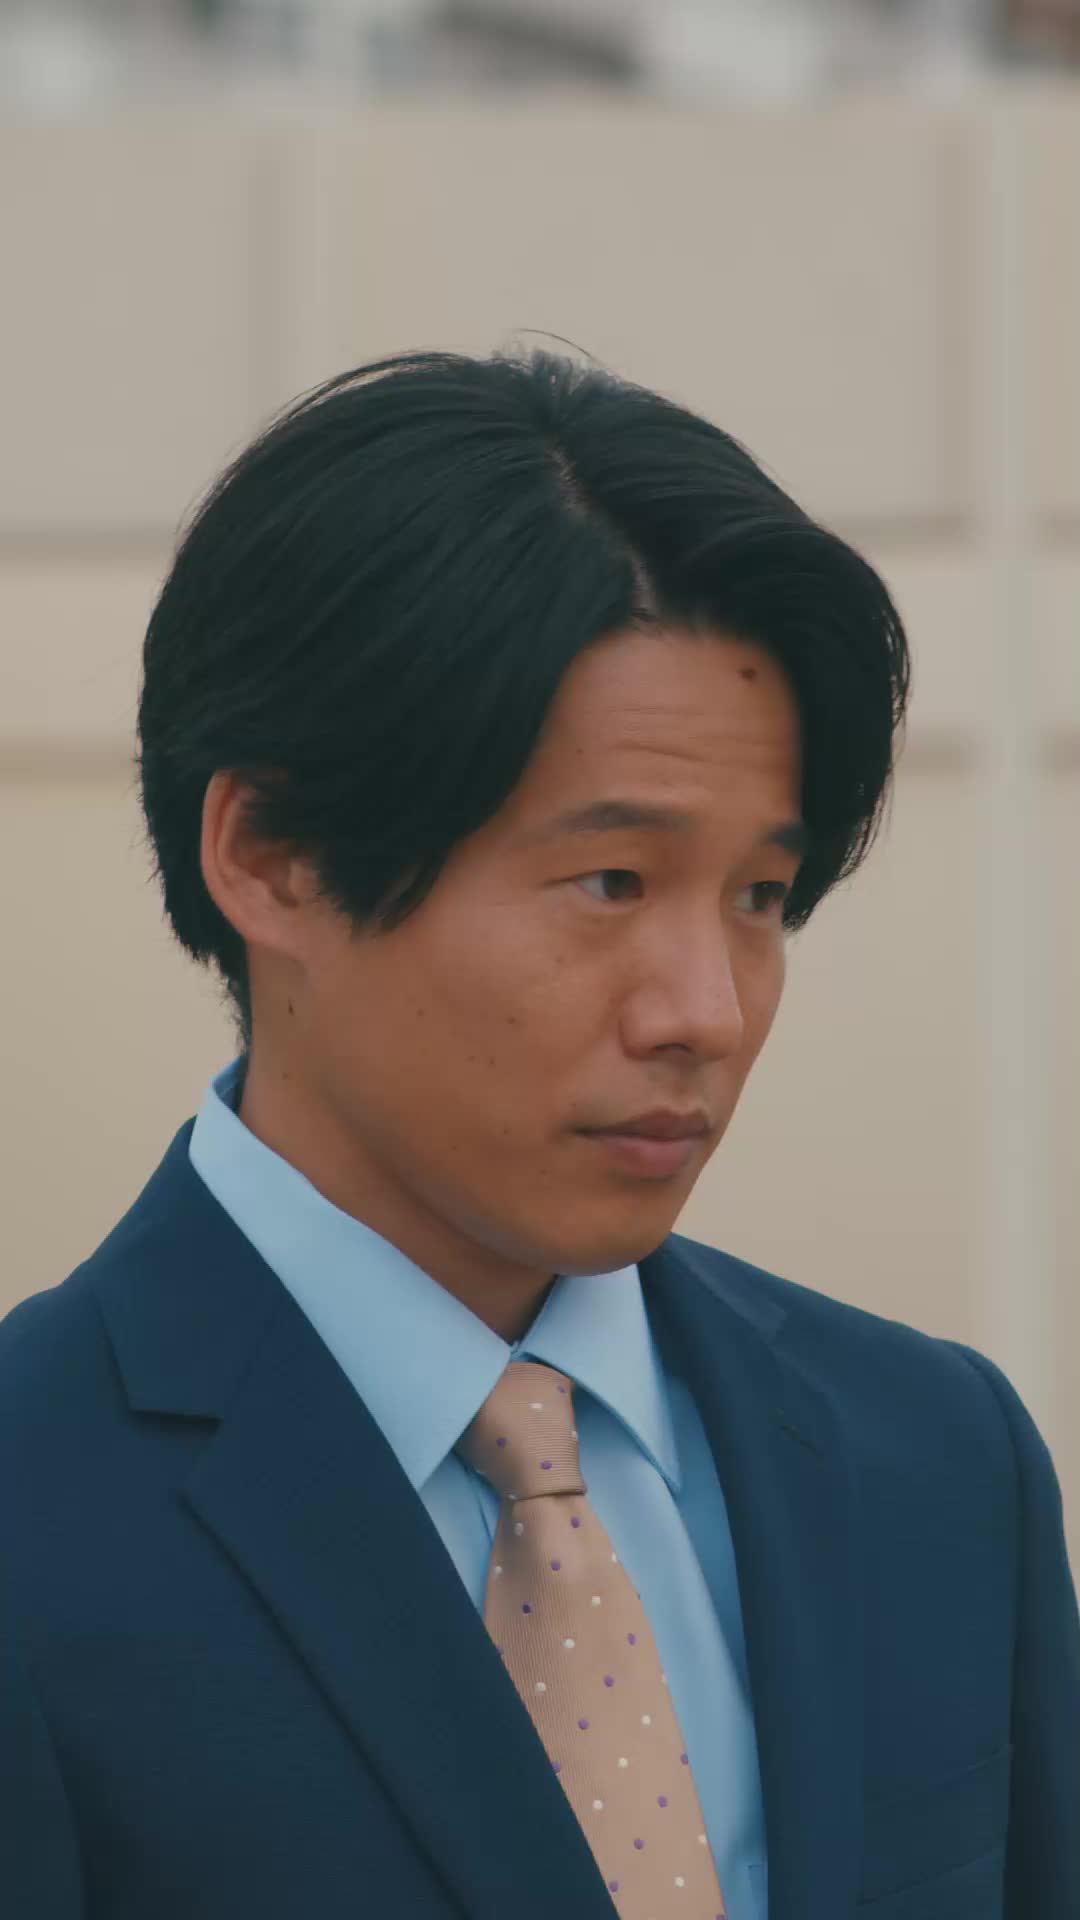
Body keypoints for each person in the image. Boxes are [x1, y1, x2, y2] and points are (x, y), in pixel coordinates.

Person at [1, 347, 1076, 1920]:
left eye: (762, 895)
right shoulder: (32, 1517)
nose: (708, 1008)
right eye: (611, 884)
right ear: (273, 854)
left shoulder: (938, 1459)